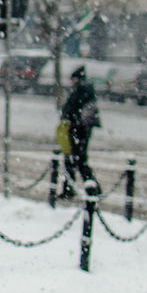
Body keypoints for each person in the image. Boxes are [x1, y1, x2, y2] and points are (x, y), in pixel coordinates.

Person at [59, 65, 101, 198]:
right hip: (82, 127)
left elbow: (70, 107)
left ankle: (73, 188)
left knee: (74, 159)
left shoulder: (80, 90)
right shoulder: (86, 89)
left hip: (78, 128)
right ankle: (91, 186)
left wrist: (67, 115)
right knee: (78, 159)